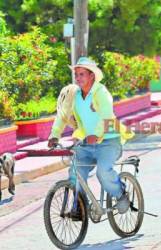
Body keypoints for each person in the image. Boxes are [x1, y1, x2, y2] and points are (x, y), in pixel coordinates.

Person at [48, 57, 134, 216]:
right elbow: (61, 116)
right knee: (75, 173)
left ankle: (121, 194)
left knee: (103, 172)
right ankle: (80, 206)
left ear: (92, 76)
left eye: (82, 74)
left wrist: (96, 134)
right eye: (76, 75)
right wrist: (54, 136)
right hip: (86, 143)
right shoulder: (73, 95)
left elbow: (107, 115)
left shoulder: (101, 92)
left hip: (108, 141)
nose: (78, 78)